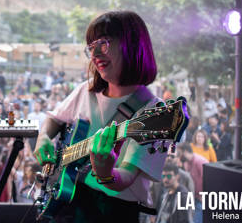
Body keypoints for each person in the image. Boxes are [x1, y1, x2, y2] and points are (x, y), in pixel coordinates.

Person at [34, 11, 166, 223]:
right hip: (70, 206)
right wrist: (43, 138)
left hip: (116, 213)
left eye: (103, 43)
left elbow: (126, 178)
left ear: (131, 45)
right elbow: (54, 119)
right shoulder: (84, 92)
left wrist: (105, 173)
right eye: (91, 46)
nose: (94, 53)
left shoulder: (154, 112)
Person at [176, 143, 208, 223]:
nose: (179, 156)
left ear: (185, 152)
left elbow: (209, 180)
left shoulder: (200, 162)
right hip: (192, 197)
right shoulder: (186, 162)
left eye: (180, 153)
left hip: (200, 199)